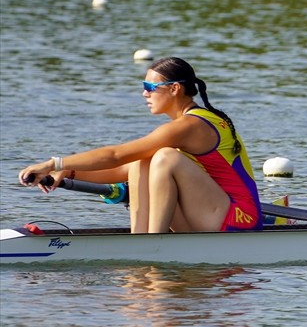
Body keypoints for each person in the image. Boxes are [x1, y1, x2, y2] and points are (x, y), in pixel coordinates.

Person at [18, 57, 262, 233]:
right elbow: (123, 169)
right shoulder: (181, 126)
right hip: (210, 213)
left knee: (166, 157)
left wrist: (52, 162)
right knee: (141, 162)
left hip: (238, 218)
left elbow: (115, 155)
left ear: (175, 89)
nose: (145, 94)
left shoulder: (191, 126)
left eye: (150, 88)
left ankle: (151, 244)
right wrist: (69, 172)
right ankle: (141, 239)